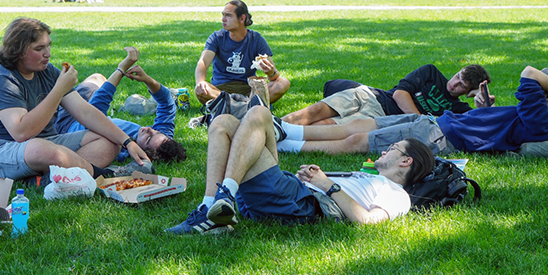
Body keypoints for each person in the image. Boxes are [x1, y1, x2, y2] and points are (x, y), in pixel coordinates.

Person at [165, 105, 435, 235]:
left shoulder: (398, 194)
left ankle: (221, 201)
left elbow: (367, 221)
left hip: (300, 203)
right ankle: (212, 206)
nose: (385, 149)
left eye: (394, 148)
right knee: (223, 122)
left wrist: (328, 184)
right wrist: (312, 177)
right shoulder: (367, 176)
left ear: (406, 161)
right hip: (292, 193)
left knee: (259, 114)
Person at [0, 18, 151, 183]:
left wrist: (127, 141)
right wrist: (59, 89)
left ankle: (45, 179)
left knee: (110, 140)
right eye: (39, 49)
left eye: (48, 45)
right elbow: (22, 133)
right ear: (18, 52)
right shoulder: (1, 80)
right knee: (42, 149)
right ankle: (104, 176)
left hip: (45, 145)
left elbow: (85, 112)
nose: (48, 53)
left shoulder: (47, 71)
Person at [273, 66, 548, 157]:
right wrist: (484, 110)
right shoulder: (538, 120)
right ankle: (282, 131)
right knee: (360, 125)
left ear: (547, 94)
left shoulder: (539, 117)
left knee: (357, 141)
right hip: (433, 122)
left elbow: (529, 73)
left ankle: (287, 144)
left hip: (439, 134)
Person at [55, 47, 187, 172]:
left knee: (58, 87)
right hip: (86, 107)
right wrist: (147, 80)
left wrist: (121, 69)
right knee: (98, 77)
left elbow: (95, 111)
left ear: (143, 153)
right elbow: (168, 104)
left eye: (147, 138)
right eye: (156, 132)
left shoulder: (121, 150)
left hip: (69, 120)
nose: (148, 129)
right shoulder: (162, 142)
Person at [282, 64, 492, 126]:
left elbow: (478, 126)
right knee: (316, 110)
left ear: (467, 92)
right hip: (372, 96)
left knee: (328, 125)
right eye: (457, 76)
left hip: (379, 119)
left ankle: (279, 139)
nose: (453, 83)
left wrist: (481, 107)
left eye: (461, 85)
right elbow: (400, 94)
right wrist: (421, 118)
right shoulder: (431, 72)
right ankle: (275, 126)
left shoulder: (459, 109)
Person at [194, 0, 291, 105]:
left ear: (242, 18)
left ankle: (234, 106)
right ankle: (249, 106)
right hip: (220, 92)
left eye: (228, 16)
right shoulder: (217, 37)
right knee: (201, 90)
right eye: (223, 15)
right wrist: (200, 81)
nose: (223, 19)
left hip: (249, 90)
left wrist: (270, 72)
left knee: (283, 83)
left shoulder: (256, 39)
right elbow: (203, 62)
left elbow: (274, 77)